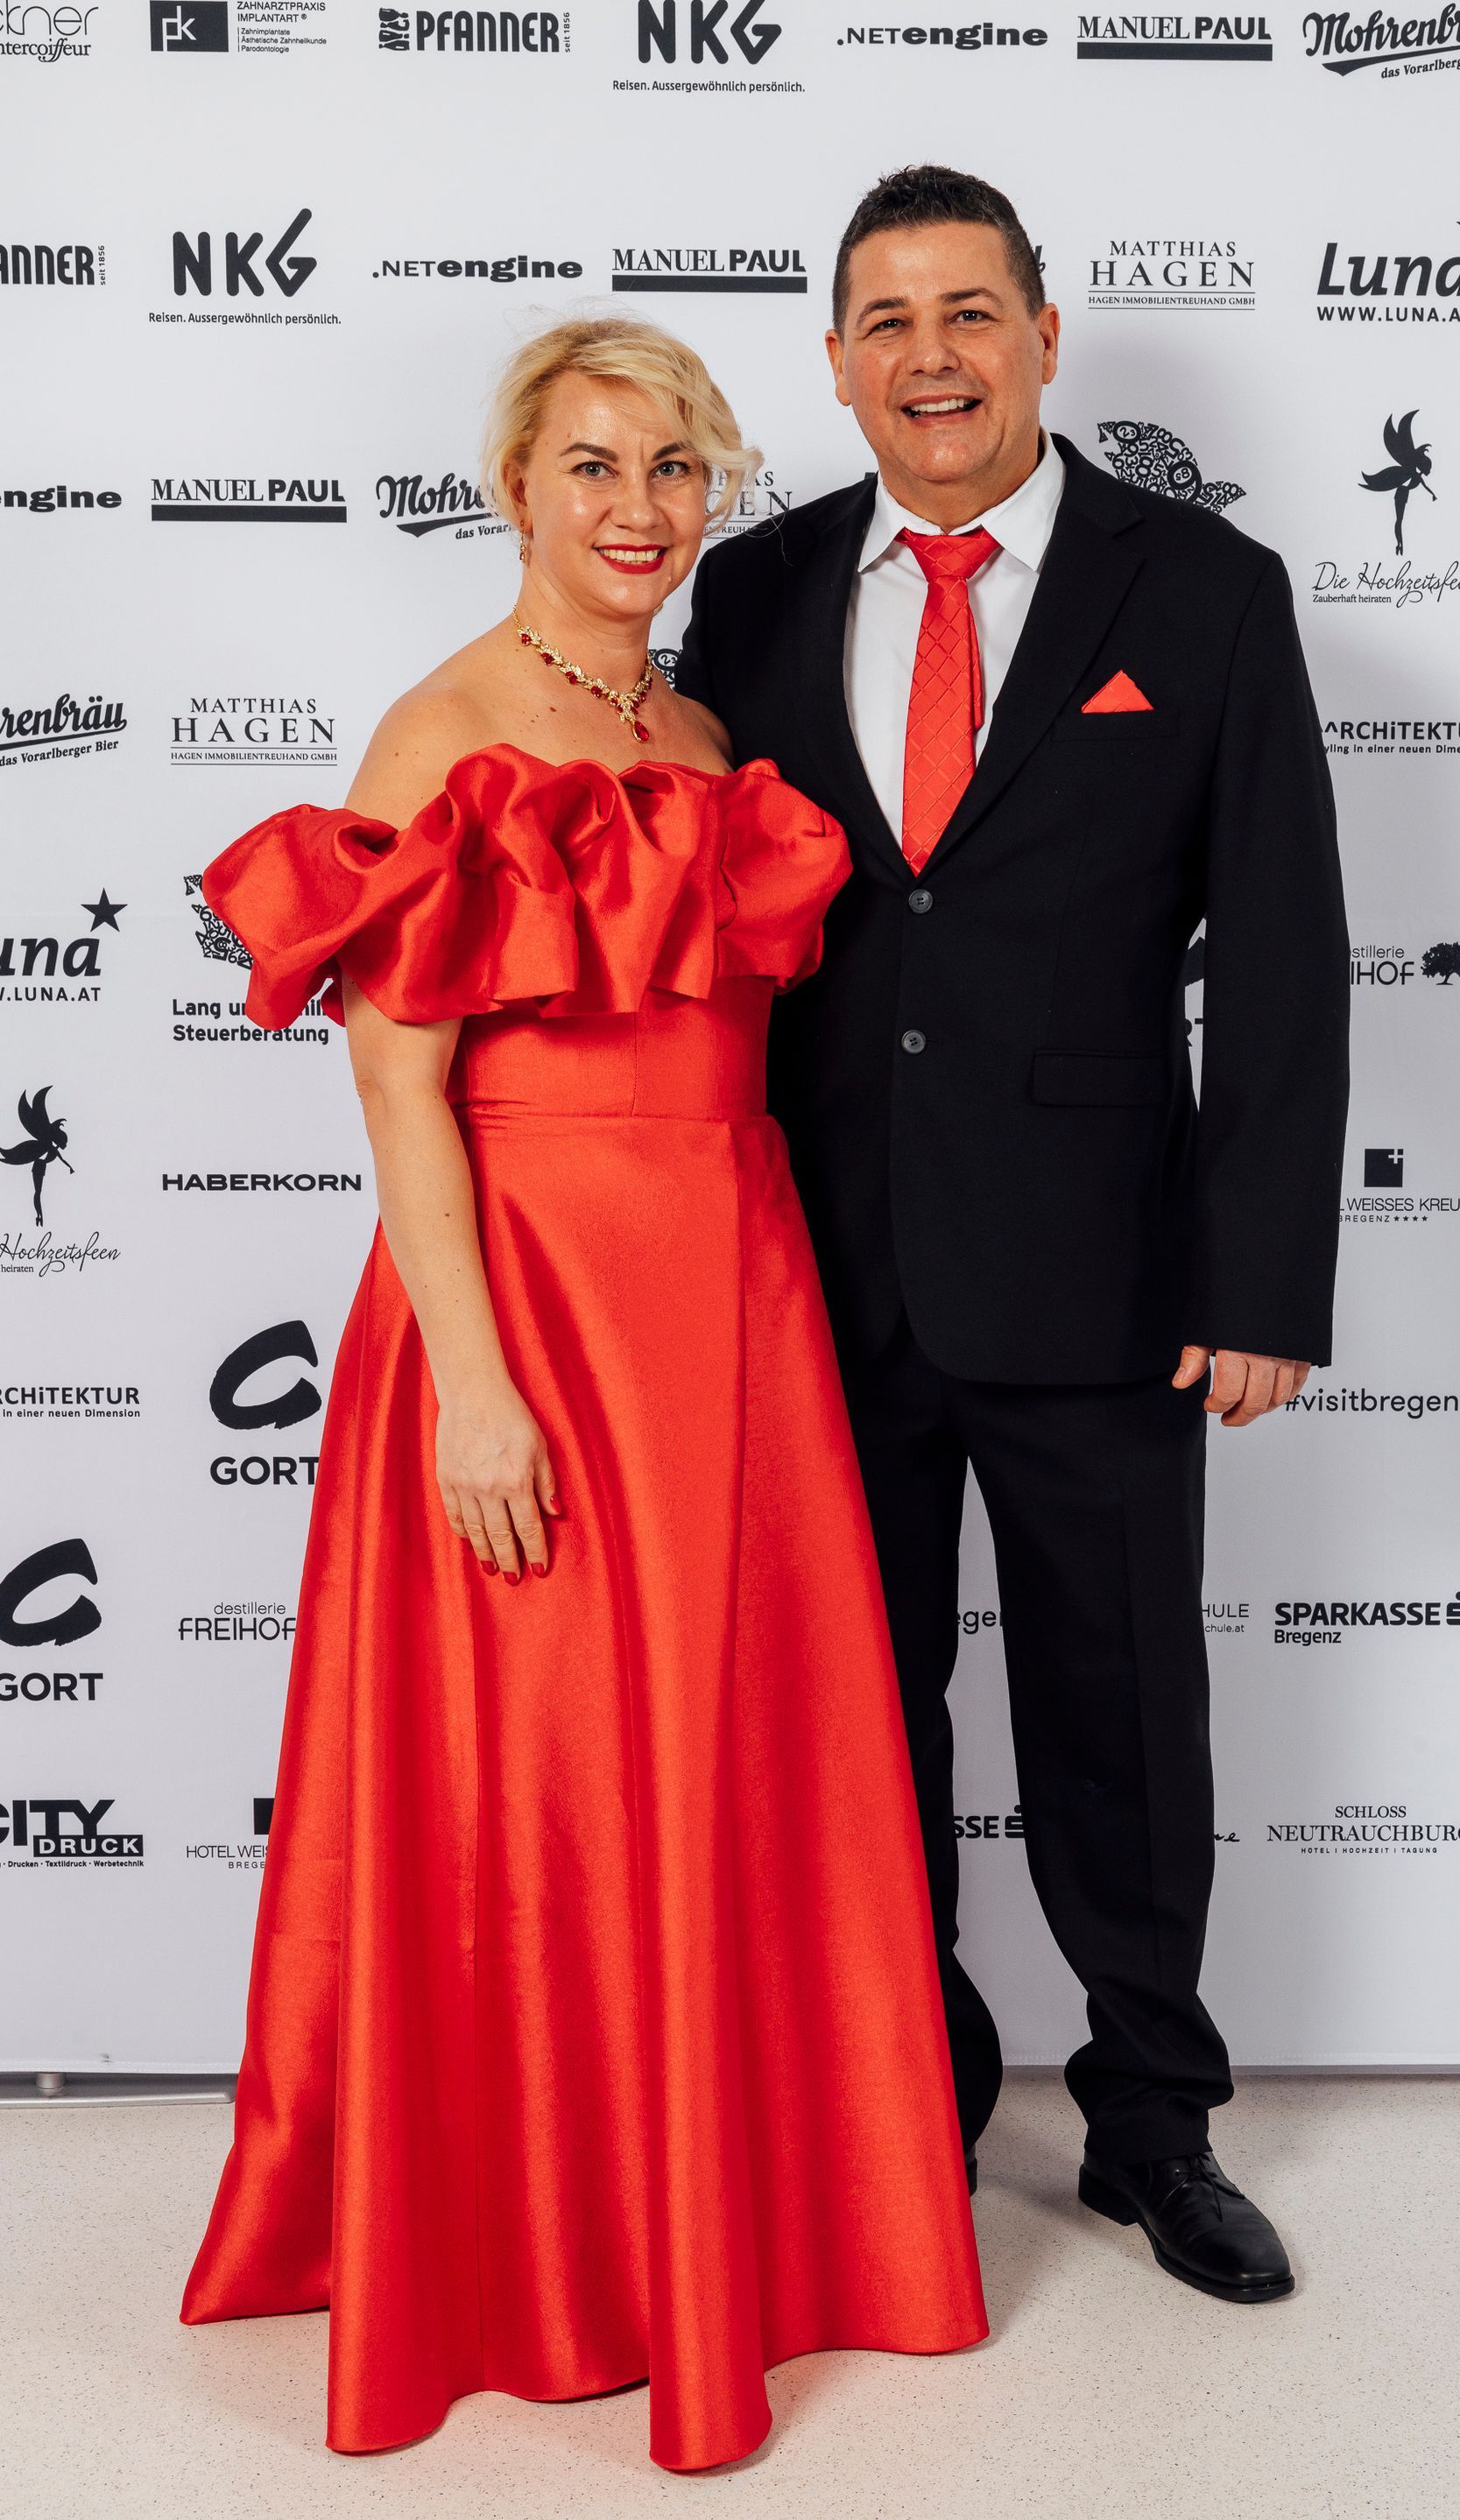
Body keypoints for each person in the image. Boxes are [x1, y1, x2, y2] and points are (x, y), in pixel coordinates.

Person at [179, 314, 986, 2472]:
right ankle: (548, 2245)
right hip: (527, 1309)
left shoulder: (709, 732)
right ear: (516, 488)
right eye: (597, 466)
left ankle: (726, 2217)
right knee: (542, 1780)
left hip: (731, 1296)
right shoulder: (440, 728)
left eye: (676, 468)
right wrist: (472, 1383)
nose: (640, 508)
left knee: (725, 1758)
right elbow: (401, 1092)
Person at [678, 167, 1349, 2306]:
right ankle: (917, 2083)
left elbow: (1287, 951)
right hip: (817, 1265)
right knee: (859, 1717)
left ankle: (1155, 2117)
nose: (933, 356)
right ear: (835, 364)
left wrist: (1261, 1273)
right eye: (887, 321)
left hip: (1103, 1266)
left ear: (1047, 337)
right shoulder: (754, 590)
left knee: (1118, 1713)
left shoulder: (1205, 588)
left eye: (970, 311)